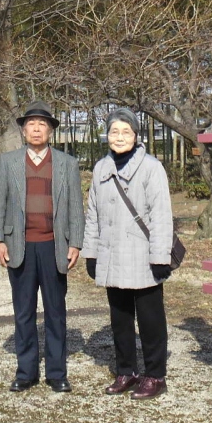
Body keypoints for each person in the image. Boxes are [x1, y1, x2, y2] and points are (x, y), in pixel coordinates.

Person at [0, 100, 84, 392]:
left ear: (51, 131)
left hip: (54, 246)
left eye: (43, 124)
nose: (37, 129)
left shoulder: (67, 163)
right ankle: (26, 372)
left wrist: (76, 243)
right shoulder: (9, 161)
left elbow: (76, 208)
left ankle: (57, 373)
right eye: (31, 124)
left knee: (56, 312)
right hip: (20, 247)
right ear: (23, 130)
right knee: (23, 312)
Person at [81, 107, 173, 400]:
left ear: (136, 135)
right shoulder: (101, 168)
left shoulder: (151, 168)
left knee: (150, 319)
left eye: (126, 132)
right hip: (111, 255)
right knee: (120, 318)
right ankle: (126, 371)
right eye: (114, 131)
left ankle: (155, 375)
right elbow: (93, 214)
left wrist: (160, 257)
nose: (119, 137)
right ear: (106, 135)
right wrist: (91, 253)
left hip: (143, 256)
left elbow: (161, 216)